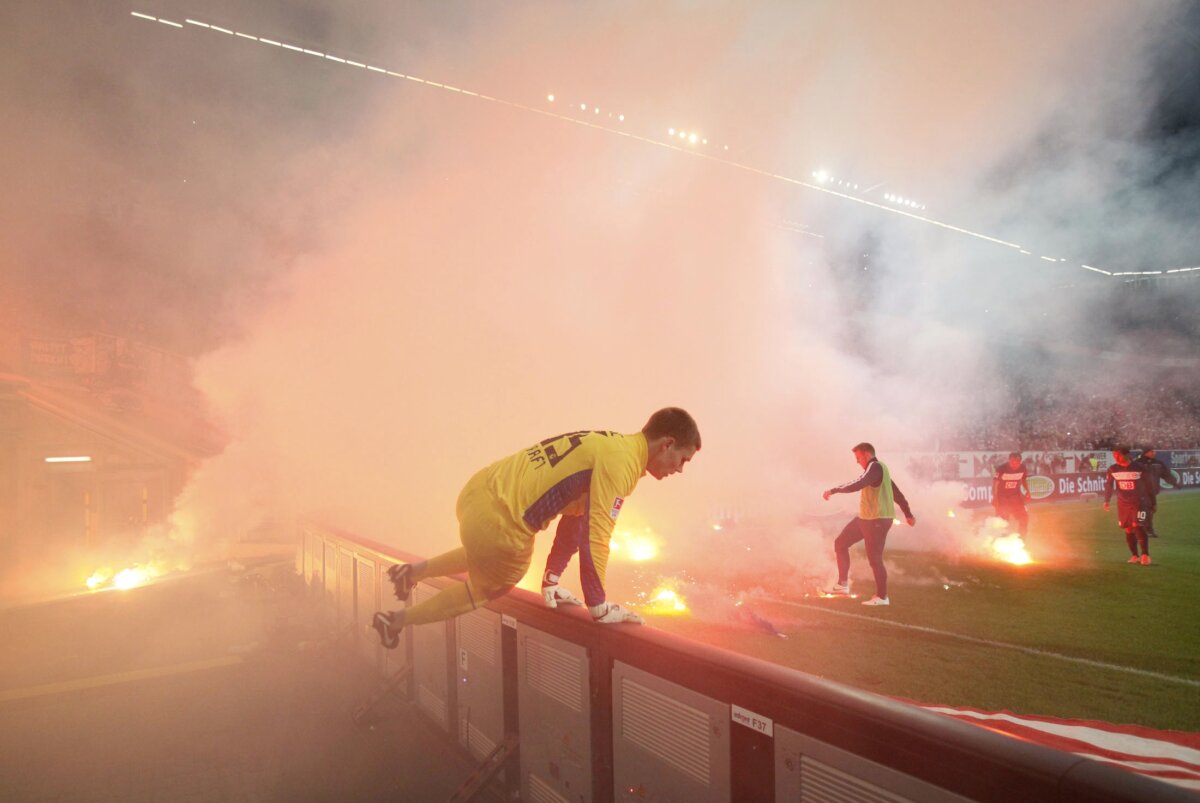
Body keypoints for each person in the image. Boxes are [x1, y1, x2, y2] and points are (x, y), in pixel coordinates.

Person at [371, 408, 701, 648]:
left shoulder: (611, 443)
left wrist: (552, 579)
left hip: (477, 492)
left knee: (484, 554)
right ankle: (395, 621)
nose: (681, 470)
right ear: (667, 444)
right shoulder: (623, 465)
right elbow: (596, 537)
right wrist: (599, 606)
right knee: (487, 585)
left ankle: (410, 574)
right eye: (683, 460)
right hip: (501, 523)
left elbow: (575, 521)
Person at [821, 442, 916, 607]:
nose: (857, 461)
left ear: (866, 455)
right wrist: (907, 513)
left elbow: (858, 483)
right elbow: (896, 493)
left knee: (874, 559)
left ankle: (882, 597)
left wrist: (834, 490)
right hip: (866, 519)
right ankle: (843, 585)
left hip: (877, 520)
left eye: (858, 457)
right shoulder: (880, 470)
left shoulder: (875, 467)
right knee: (840, 543)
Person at [1103, 446, 1152, 565]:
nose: (1116, 457)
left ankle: (1145, 555)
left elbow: (1149, 485)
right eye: (1114, 455)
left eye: (1118, 455)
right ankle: (1135, 555)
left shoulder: (1139, 468)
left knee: (1138, 525)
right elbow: (1109, 485)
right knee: (1128, 529)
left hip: (1138, 502)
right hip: (1123, 503)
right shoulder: (1113, 469)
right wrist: (1107, 500)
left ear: (1127, 455)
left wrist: (1152, 501)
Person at [1133, 447, 1178, 538]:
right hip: (1139, 492)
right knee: (1145, 512)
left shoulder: (1158, 463)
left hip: (1152, 492)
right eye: (1152, 451)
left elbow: (1166, 474)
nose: (1154, 453)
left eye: (1154, 451)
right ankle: (1145, 530)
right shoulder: (1137, 463)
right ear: (1146, 452)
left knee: (1148, 511)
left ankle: (1143, 530)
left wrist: (1174, 483)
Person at [991, 452, 1031, 538]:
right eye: (1012, 462)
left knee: (1024, 518)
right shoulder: (1001, 469)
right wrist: (994, 497)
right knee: (1003, 520)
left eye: (1017, 462)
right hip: (1002, 498)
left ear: (1020, 461)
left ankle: (1021, 539)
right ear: (1009, 460)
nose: (1015, 464)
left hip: (1016, 497)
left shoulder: (1023, 468)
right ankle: (1001, 541)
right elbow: (995, 483)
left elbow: (1024, 479)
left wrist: (1027, 490)